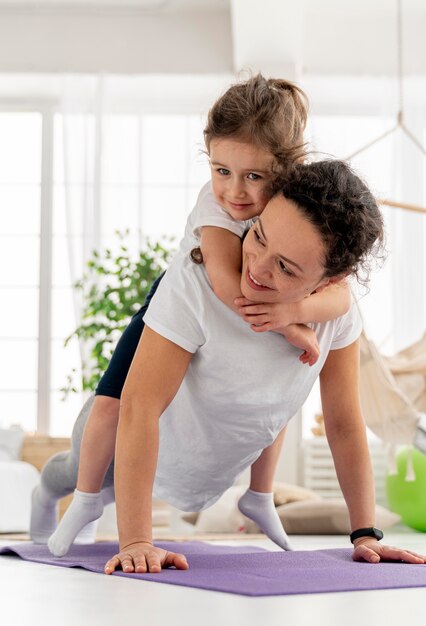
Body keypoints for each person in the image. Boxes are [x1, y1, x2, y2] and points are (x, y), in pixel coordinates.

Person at [31, 160, 426, 574]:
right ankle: (43, 493)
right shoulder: (195, 280)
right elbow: (138, 405)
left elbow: (345, 423)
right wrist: (136, 540)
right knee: (75, 476)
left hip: (203, 470)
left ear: (332, 280)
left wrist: (365, 533)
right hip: (122, 444)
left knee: (114, 495)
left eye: (286, 267)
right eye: (258, 236)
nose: (257, 268)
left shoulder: (337, 316)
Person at [34, 75, 352, 557]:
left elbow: (343, 298)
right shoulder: (215, 208)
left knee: (286, 392)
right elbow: (226, 285)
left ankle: (260, 495)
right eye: (221, 170)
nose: (235, 192)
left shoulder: (294, 214)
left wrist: (297, 308)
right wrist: (289, 324)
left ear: (288, 172)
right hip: (179, 298)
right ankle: (79, 498)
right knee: (112, 405)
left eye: (254, 176)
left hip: (260, 306)